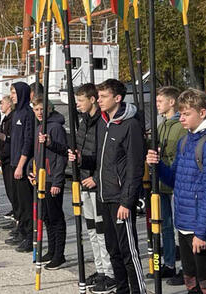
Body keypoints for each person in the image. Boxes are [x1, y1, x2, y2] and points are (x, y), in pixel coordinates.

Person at [70, 78, 146, 294]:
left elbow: (134, 166)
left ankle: (137, 291)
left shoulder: (130, 125)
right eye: (99, 96)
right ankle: (121, 289)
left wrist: (127, 201)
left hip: (120, 199)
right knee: (112, 249)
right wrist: (81, 160)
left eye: (104, 97)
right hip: (103, 195)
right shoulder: (103, 123)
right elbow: (99, 160)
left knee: (127, 251)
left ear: (117, 98)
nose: (100, 100)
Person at [147, 89, 206, 294]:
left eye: (186, 113)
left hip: (199, 227)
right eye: (180, 113)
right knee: (191, 282)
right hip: (183, 223)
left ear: (202, 113)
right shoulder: (185, 141)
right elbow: (174, 180)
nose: (181, 118)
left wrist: (202, 231)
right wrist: (157, 166)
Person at [74, 83, 116, 292]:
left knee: (101, 230)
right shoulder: (84, 122)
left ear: (91, 100)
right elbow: (85, 152)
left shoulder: (101, 121)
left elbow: (105, 156)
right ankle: (100, 269)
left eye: (81, 100)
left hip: (95, 183)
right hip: (83, 181)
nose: (78, 105)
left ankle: (110, 272)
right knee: (90, 229)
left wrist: (96, 178)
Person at [154, 86, 186, 282]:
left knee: (178, 228)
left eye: (160, 101)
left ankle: (185, 267)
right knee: (164, 225)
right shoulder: (162, 125)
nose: (157, 105)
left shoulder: (181, 126)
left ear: (171, 102)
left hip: (175, 183)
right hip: (161, 183)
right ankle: (169, 263)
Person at [34, 98, 68, 268]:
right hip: (41, 177)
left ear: (49, 109)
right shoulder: (39, 127)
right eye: (36, 109)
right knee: (46, 216)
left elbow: (62, 154)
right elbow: (37, 153)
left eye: (42, 109)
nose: (39, 112)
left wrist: (57, 181)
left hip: (52, 178)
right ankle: (52, 249)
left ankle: (59, 254)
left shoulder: (55, 128)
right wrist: (31, 171)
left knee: (56, 217)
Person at [5, 82, 34, 252]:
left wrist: (21, 165)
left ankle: (30, 237)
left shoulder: (27, 114)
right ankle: (21, 231)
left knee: (26, 203)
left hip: (22, 165)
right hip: (13, 162)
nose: (13, 96)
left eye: (15, 93)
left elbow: (27, 142)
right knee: (18, 203)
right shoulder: (16, 113)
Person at [0, 96, 15, 221]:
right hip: (4, 158)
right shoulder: (5, 120)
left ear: (9, 105)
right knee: (9, 188)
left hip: (10, 158)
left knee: (12, 188)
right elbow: (1, 140)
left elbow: (9, 141)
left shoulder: (11, 120)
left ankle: (17, 213)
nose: (1, 106)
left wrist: (1, 155)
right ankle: (15, 211)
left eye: (3, 103)